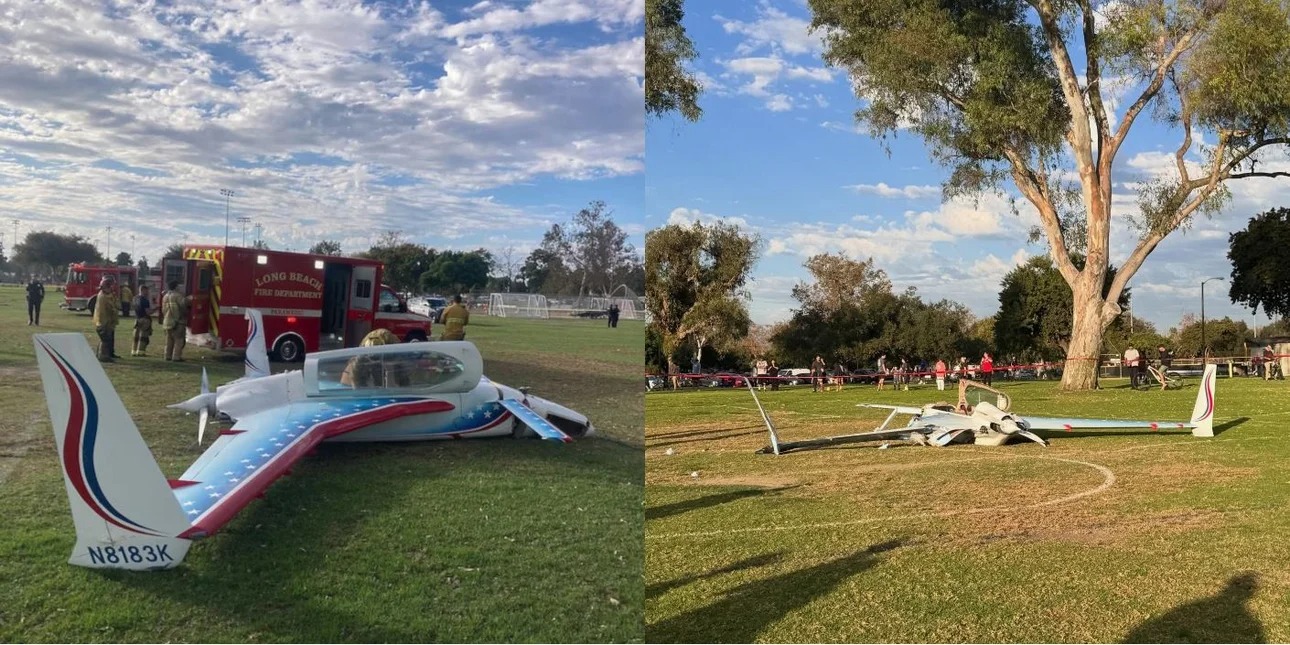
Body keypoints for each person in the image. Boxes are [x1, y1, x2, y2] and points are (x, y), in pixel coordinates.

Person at [92, 276, 121, 361]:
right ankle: (103, 356)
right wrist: (114, 309)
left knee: (108, 338)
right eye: (111, 286)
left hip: (109, 321)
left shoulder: (109, 295)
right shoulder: (103, 297)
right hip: (103, 322)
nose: (113, 288)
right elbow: (109, 308)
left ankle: (109, 354)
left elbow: (117, 305)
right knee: (105, 339)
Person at [161, 281, 189, 362]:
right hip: (177, 321)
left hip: (167, 321)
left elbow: (163, 310)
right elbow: (183, 306)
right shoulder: (178, 296)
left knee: (169, 340)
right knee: (178, 340)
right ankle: (176, 357)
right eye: (178, 286)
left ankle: (167, 356)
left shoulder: (165, 296)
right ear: (176, 287)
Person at [131, 285, 155, 356]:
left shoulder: (135, 298)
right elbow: (148, 312)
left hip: (137, 319)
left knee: (136, 336)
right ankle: (141, 352)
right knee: (143, 337)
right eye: (147, 291)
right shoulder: (145, 300)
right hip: (145, 319)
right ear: (143, 290)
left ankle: (134, 351)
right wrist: (156, 309)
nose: (148, 292)